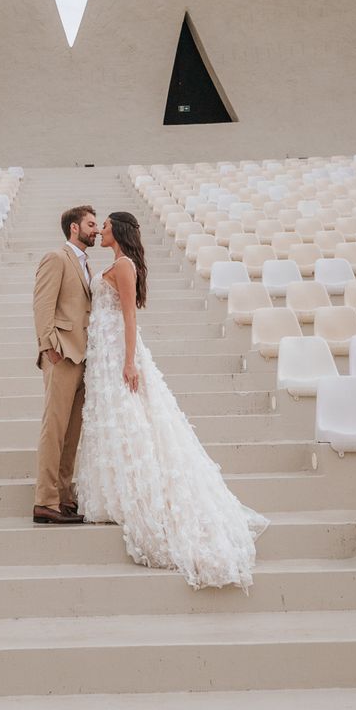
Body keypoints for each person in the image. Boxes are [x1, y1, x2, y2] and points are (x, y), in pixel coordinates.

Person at [74, 210, 266, 588]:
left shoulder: (125, 265)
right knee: (113, 416)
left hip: (117, 350)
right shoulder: (115, 263)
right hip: (103, 350)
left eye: (107, 227)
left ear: (120, 232)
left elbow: (129, 316)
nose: (102, 231)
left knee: (128, 413)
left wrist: (129, 361)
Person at [31, 204, 97, 524]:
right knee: (54, 430)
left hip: (83, 356)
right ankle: (45, 500)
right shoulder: (56, 258)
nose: (96, 229)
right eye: (91, 223)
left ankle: (64, 495)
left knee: (72, 433)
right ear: (74, 227)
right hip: (62, 354)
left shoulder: (87, 264)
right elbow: (42, 305)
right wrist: (48, 348)